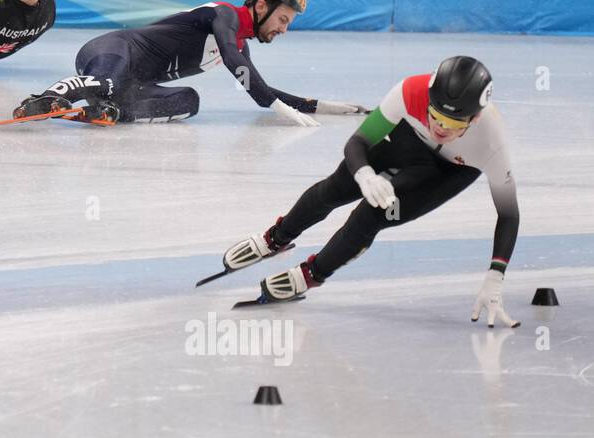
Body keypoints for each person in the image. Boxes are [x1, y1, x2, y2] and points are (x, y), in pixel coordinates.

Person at [222, 56, 521, 326]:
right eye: (435, 114)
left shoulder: (491, 142)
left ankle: (311, 275)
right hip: (408, 140)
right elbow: (358, 143)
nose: (440, 128)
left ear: (475, 118)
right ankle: (277, 237)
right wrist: (364, 174)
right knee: (338, 186)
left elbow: (508, 214)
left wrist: (496, 275)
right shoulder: (410, 91)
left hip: (447, 170)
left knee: (371, 215)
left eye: (453, 123)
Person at [12, 0, 366, 126]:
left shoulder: (240, 41)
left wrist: (316, 105)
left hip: (132, 82)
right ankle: (43, 99)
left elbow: (258, 83)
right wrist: (269, 105)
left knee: (189, 100)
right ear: (262, 7)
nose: (284, 29)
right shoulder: (224, 16)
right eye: (284, 19)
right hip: (112, 50)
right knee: (109, 81)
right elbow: (232, 60)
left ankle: (115, 112)